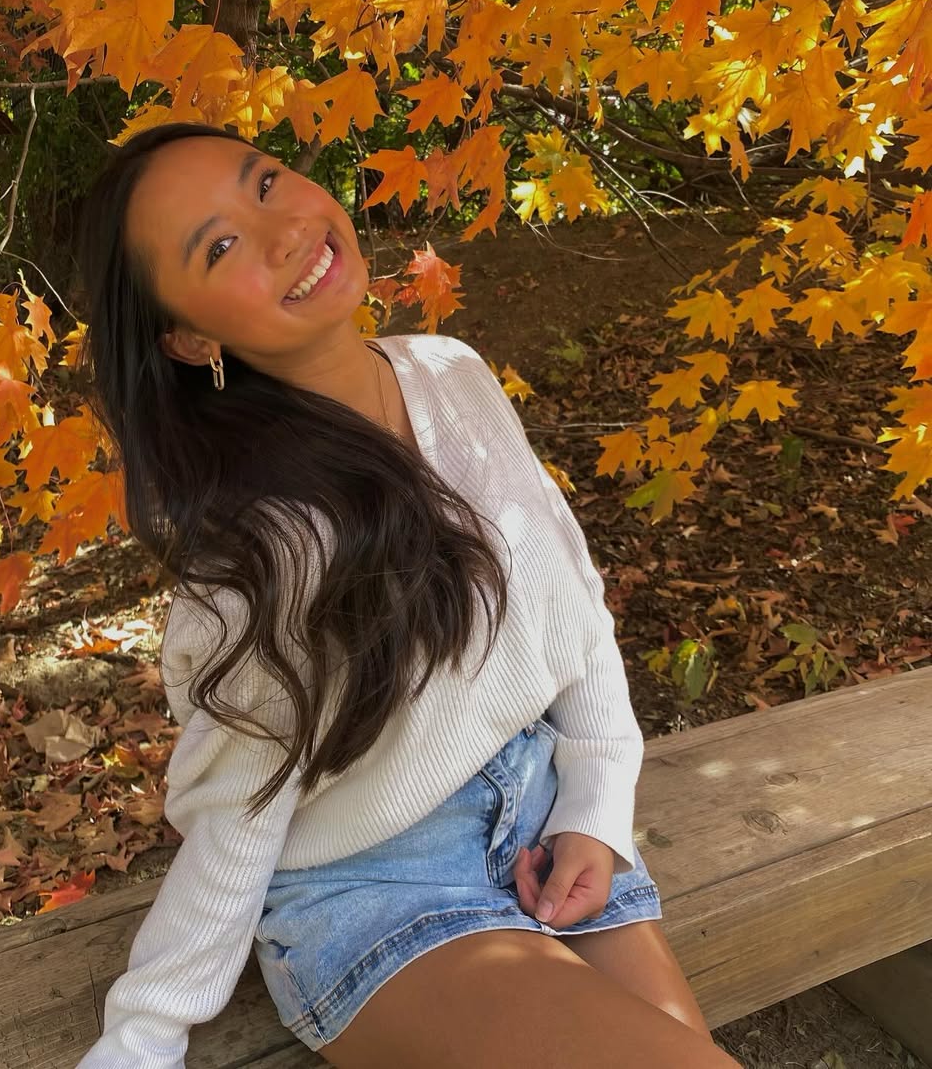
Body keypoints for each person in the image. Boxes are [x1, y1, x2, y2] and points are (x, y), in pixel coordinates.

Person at [74, 123, 740, 1069]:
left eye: (265, 182)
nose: (284, 231)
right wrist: (143, 1037)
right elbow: (236, 810)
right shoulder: (260, 551)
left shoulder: (452, 372)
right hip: (375, 882)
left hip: (540, 820)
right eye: (219, 247)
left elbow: (568, 597)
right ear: (189, 337)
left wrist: (594, 800)